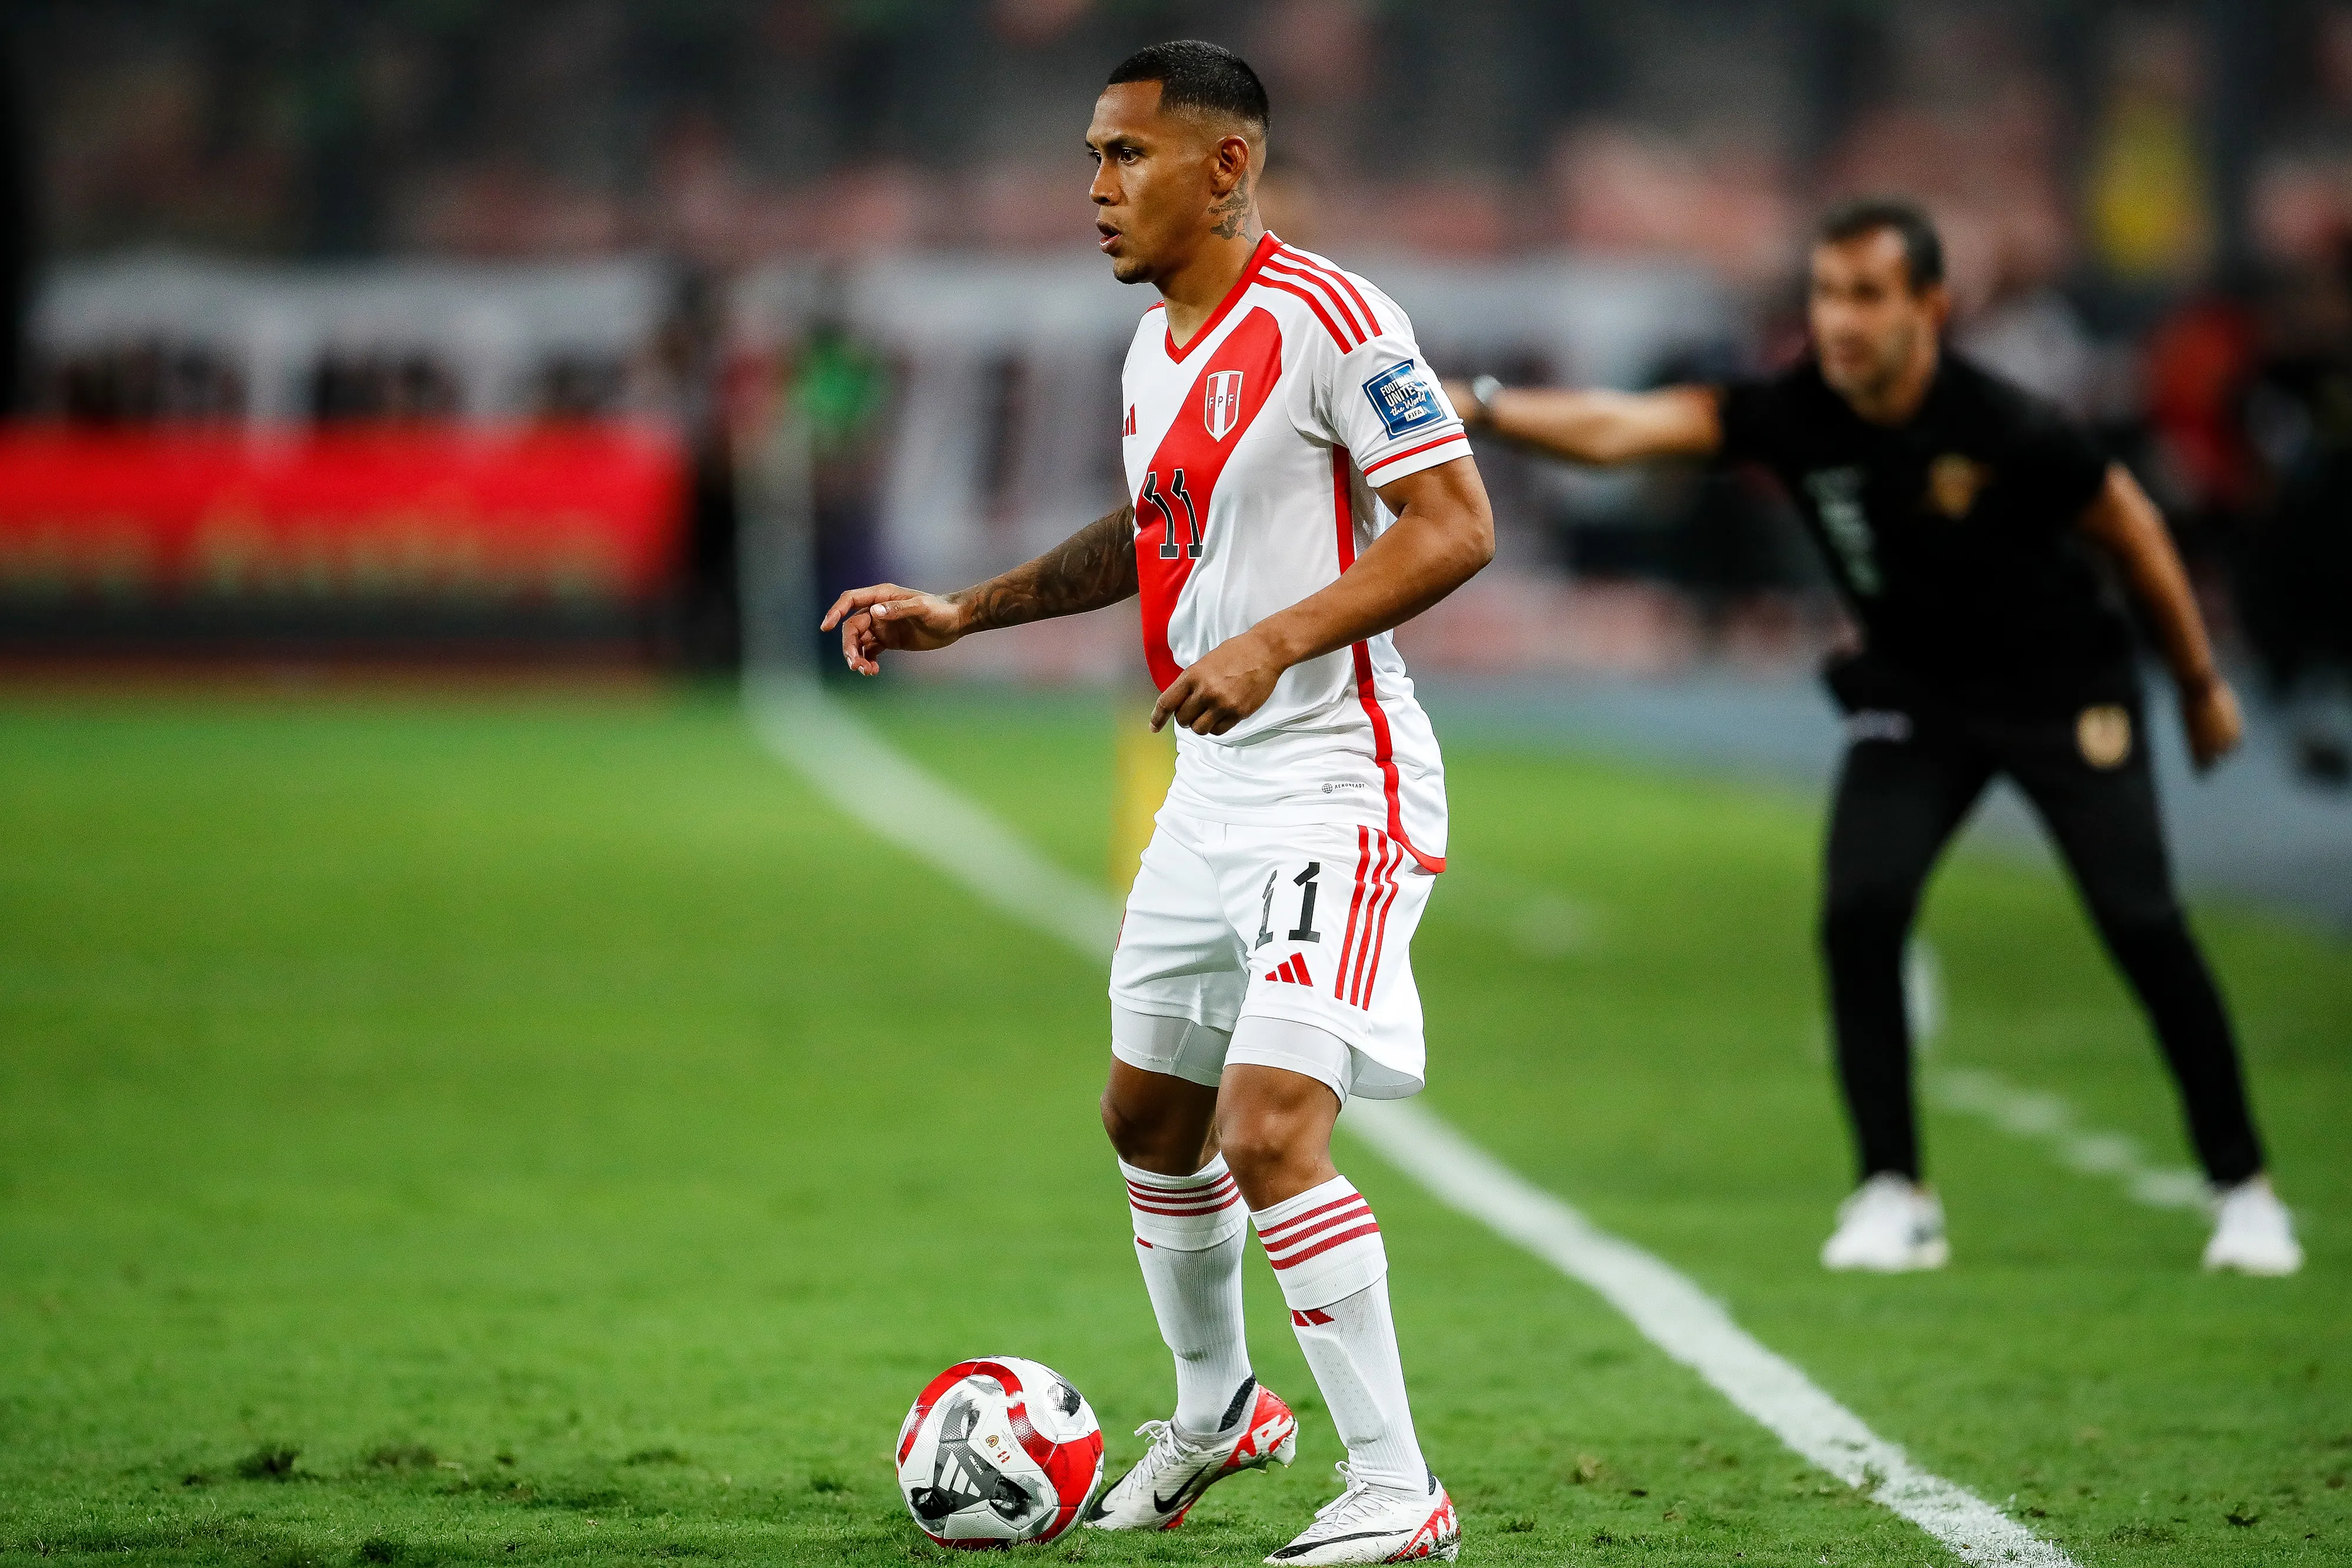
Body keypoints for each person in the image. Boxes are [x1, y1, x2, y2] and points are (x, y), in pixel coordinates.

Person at [823, 41, 1489, 1563]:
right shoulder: (1157, 346)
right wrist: (967, 609)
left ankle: (1397, 1489)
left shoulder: (1332, 319)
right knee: (1148, 1115)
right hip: (1210, 787)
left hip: (1338, 779)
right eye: (1091, 157)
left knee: (1269, 1131)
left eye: (1126, 156)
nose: (1096, 188)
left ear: (1228, 165)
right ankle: (1220, 1409)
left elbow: (1454, 526)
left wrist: (1271, 637)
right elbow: (1150, 529)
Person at [1446, 198, 2301, 1278]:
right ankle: (1893, 1189)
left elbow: (2128, 521)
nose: (1838, 320)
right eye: (1825, 294)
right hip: (1916, 699)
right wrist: (1481, 405)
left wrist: (2196, 683)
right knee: (1861, 911)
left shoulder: (2004, 424)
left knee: (2140, 920)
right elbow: (1633, 429)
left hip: (2059, 690)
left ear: (1930, 307)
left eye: (1865, 296)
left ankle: (2246, 1188)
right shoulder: (1798, 410)